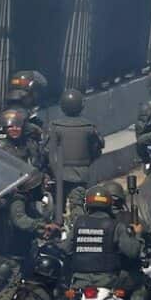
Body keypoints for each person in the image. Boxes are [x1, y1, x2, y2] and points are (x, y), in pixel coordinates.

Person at [45, 88, 103, 222]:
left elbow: (48, 151)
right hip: (81, 173)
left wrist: (52, 171)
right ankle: (78, 229)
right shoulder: (89, 127)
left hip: (58, 174)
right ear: (81, 105)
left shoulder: (55, 126)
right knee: (77, 205)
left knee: (56, 208)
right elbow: (96, 149)